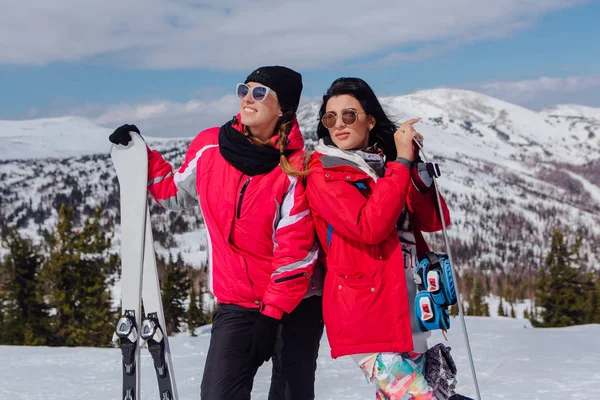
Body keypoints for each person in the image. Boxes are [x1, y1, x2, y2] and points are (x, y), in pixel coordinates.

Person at [109, 66, 322, 400]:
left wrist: (272, 315)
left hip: (295, 304)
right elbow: (173, 192)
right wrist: (140, 154)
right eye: (244, 89)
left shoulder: (295, 167)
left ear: (284, 108)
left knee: (290, 393)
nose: (247, 99)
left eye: (260, 92)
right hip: (237, 302)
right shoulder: (210, 146)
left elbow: (295, 253)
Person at [305, 77, 452, 400]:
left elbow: (432, 220)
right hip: (367, 314)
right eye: (330, 117)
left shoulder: (383, 167)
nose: (338, 125)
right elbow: (369, 226)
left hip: (408, 305)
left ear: (370, 119)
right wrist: (400, 164)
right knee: (420, 397)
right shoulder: (325, 173)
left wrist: (413, 169)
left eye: (349, 115)